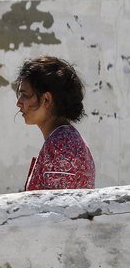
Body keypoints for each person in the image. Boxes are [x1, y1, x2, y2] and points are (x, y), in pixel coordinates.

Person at [14, 56, 95, 191]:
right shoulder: (65, 139)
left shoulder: (61, 146)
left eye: (25, 95)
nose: (19, 103)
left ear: (46, 99)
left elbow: (58, 207)